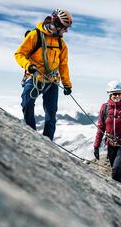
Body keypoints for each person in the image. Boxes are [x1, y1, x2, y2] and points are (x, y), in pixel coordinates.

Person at [14, 9, 73, 141]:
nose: (66, 31)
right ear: (56, 25)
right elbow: (19, 54)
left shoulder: (61, 44)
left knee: (51, 115)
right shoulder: (35, 35)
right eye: (64, 28)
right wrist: (28, 65)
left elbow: (63, 65)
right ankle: (31, 135)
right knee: (27, 104)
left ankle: (48, 142)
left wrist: (67, 84)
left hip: (52, 81)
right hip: (34, 77)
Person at [93, 81, 121, 184]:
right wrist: (96, 146)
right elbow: (100, 127)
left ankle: (118, 194)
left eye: (119, 93)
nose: (117, 96)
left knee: (116, 168)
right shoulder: (104, 107)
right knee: (116, 172)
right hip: (111, 145)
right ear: (110, 94)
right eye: (115, 94)